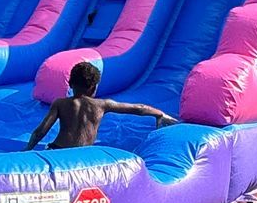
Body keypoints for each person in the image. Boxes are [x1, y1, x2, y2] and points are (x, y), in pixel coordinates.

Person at [25, 61, 175, 150]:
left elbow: (40, 132)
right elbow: (139, 108)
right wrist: (160, 114)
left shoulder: (60, 103)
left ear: (70, 84)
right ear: (94, 87)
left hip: (57, 150)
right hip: (84, 156)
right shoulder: (102, 105)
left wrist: (27, 149)